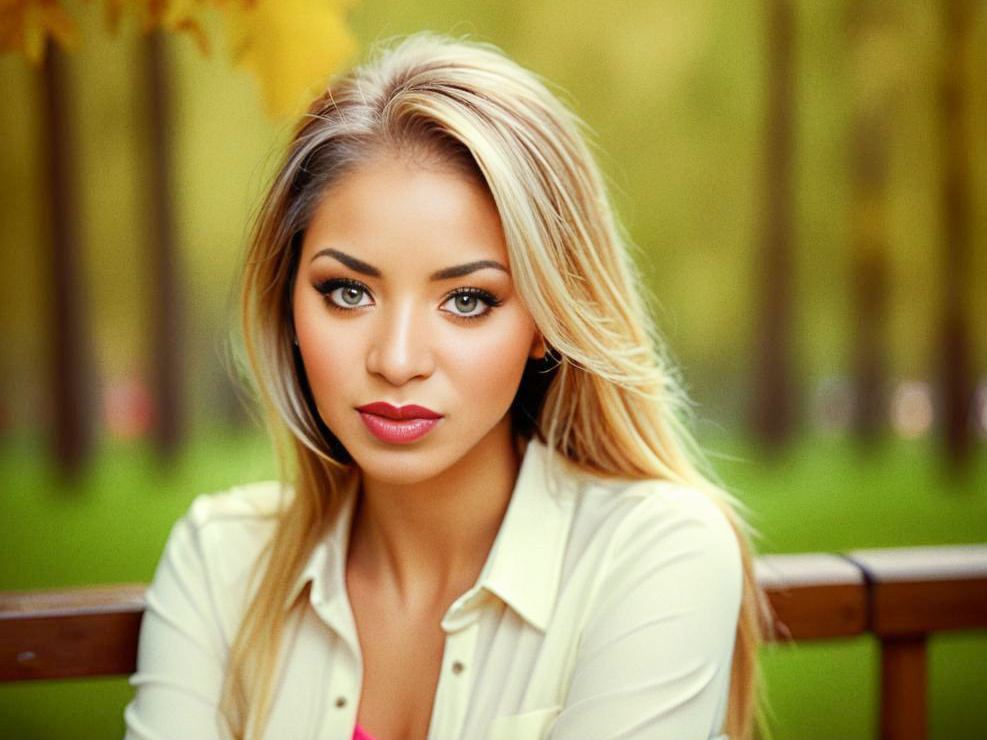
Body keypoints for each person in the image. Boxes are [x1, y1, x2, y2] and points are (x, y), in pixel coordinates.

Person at [123, 33, 772, 740]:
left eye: (466, 299)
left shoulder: (655, 553)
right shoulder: (222, 563)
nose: (398, 361)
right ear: (287, 304)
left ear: (546, 318)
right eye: (346, 291)